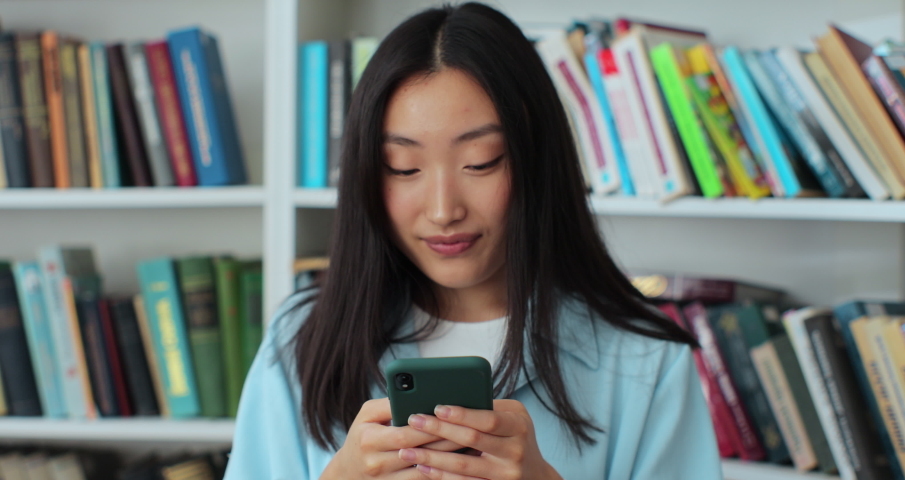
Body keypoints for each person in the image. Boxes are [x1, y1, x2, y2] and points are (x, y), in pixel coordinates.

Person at [224, 3, 723, 479]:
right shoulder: (299, 343)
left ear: (536, 161)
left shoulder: (645, 361)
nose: (444, 210)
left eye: (481, 162)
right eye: (403, 167)